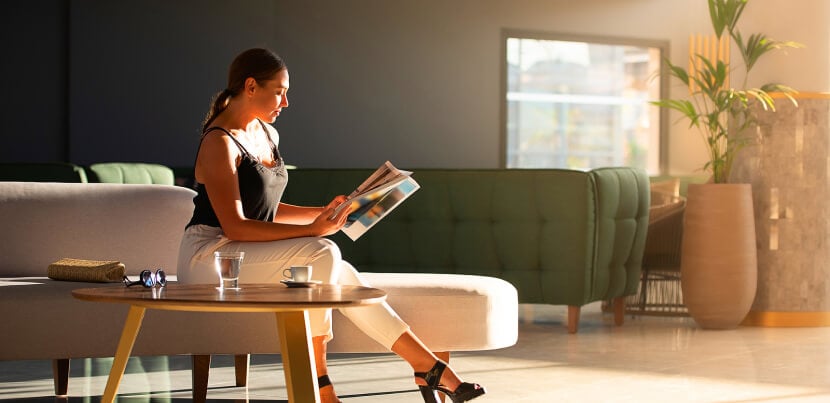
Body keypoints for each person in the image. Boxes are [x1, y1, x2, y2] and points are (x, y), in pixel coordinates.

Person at [177, 48, 486, 403]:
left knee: (338, 270)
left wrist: (321, 213)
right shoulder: (219, 142)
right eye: (280, 90)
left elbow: (266, 210)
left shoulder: (267, 134)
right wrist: (313, 231)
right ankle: (319, 385)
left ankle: (427, 366)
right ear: (250, 86)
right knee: (323, 252)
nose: (287, 102)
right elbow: (236, 226)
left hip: (243, 249)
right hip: (209, 258)